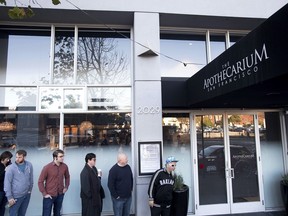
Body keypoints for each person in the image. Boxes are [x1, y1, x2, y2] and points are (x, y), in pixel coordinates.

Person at [38, 149, 70, 216]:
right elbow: (40, 181)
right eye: (61, 156)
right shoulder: (47, 167)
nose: (63, 158)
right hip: (49, 195)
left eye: (63, 156)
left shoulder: (64, 166)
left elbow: (67, 177)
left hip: (60, 194)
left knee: (57, 213)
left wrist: (66, 187)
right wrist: (45, 194)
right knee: (46, 214)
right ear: (55, 157)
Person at [4, 149, 33, 216]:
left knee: (22, 213)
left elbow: (31, 178)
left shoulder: (29, 165)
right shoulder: (11, 168)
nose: (17, 159)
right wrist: (9, 197)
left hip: (26, 194)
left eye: (19, 157)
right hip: (15, 196)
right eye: (16, 157)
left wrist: (29, 190)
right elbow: (7, 183)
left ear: (24, 157)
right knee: (13, 213)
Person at [0, 151, 13, 216]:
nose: (8, 160)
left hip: (5, 190)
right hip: (0, 190)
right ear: (3, 158)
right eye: (7, 159)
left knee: (3, 207)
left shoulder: (8, 165)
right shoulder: (1, 166)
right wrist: (5, 171)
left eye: (9, 159)